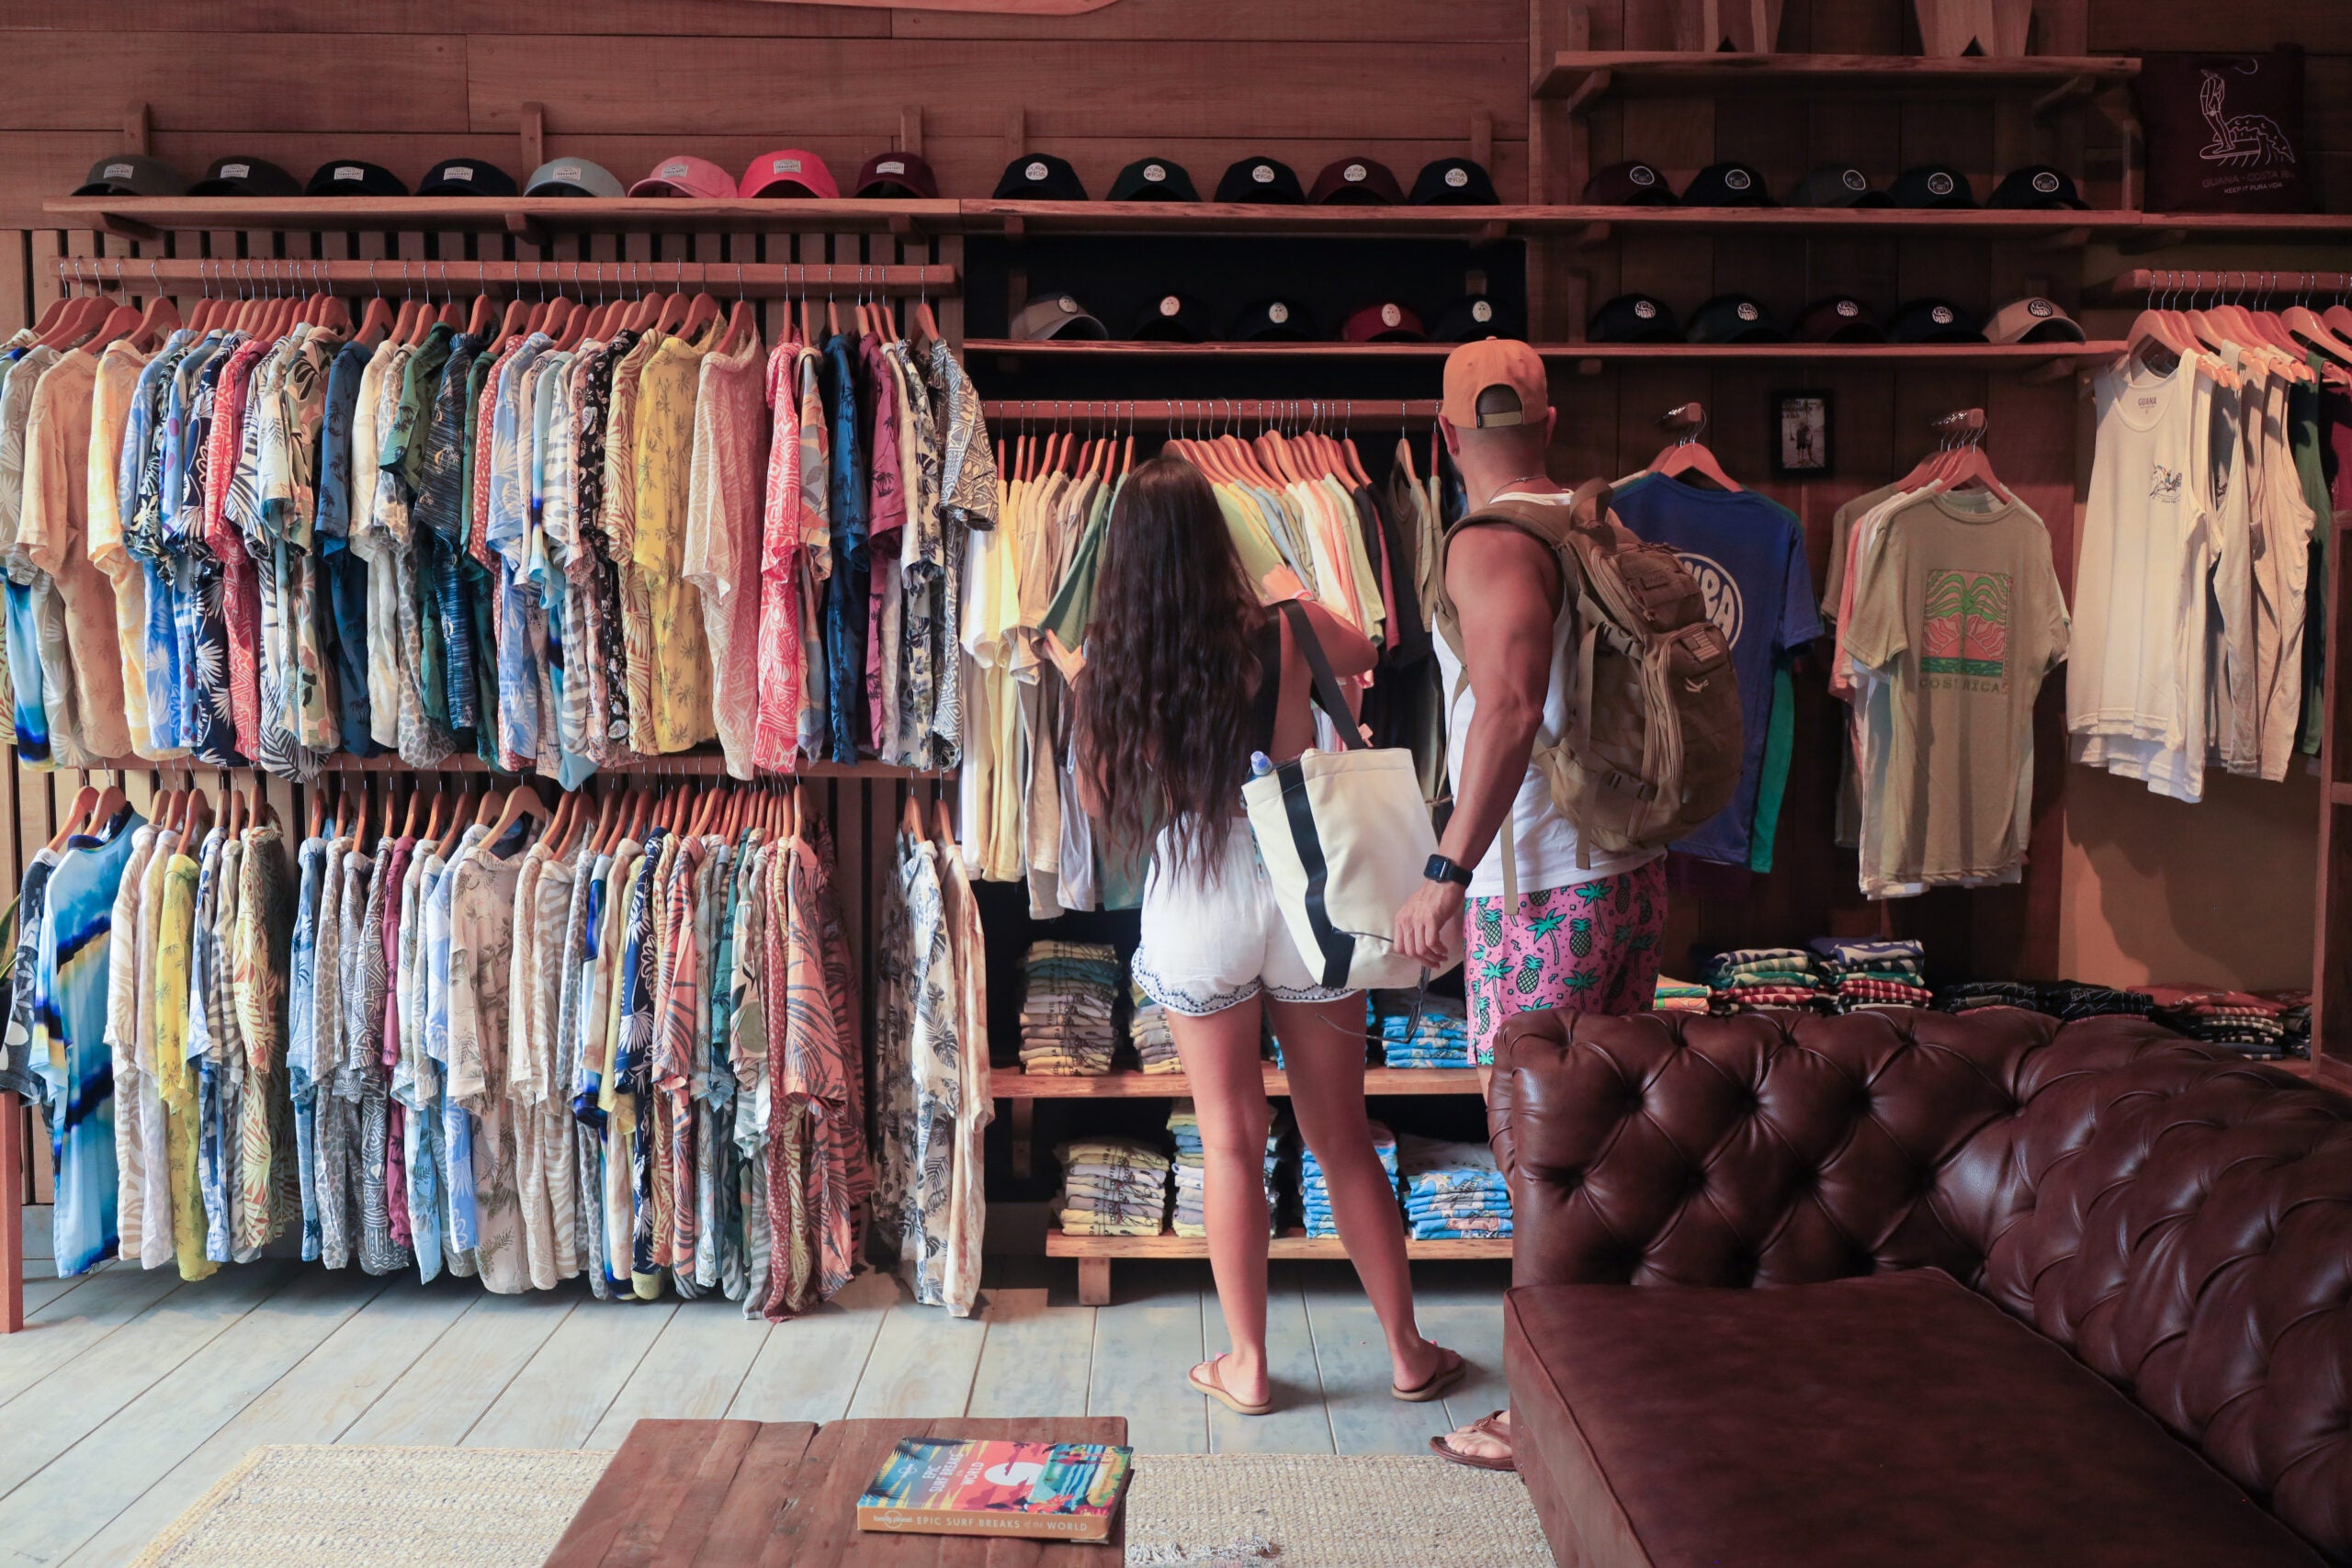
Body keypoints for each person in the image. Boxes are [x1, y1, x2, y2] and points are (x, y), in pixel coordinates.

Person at [1075, 455, 1463, 1416]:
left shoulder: (1107, 661)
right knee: (1340, 1138)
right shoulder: (1283, 629)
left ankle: (1245, 1364)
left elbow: (1094, 801)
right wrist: (1288, 582)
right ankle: (1408, 1352)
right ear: (1218, 537)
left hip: (1193, 896)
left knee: (1230, 1144)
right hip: (1304, 889)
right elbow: (1364, 643)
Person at [1393, 340, 1669, 1468]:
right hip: (1626, 873)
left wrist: (1445, 872)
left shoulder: (1493, 540)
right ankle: (1622, 1374)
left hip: (1539, 887)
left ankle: (1543, 1410)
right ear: (1548, 422)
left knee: (1537, 1155)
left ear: (1447, 433)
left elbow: (1504, 709)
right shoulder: (1598, 521)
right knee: (1608, 1139)